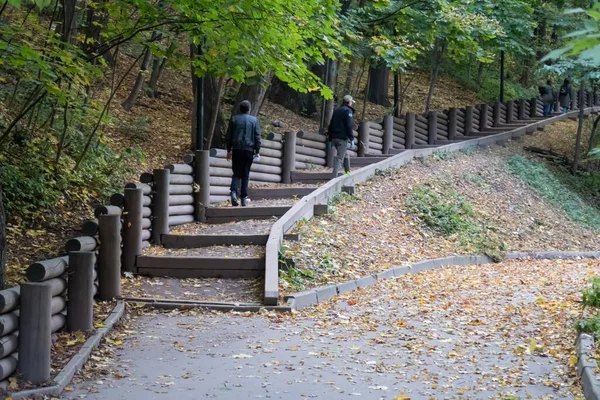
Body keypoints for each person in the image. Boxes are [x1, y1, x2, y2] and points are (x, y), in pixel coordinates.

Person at [226, 100, 261, 207]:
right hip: (249, 150)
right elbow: (257, 137)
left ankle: (233, 193)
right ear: (249, 109)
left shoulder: (234, 119)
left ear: (239, 109)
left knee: (236, 173)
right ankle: (244, 198)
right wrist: (257, 151)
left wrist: (228, 150)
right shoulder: (254, 120)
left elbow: (229, 136)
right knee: (245, 174)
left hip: (236, 149)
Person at [327, 94, 355, 178]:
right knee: (340, 158)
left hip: (334, 138)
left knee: (345, 154)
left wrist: (330, 139)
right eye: (351, 102)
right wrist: (351, 138)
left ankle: (348, 173)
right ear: (349, 102)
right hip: (342, 139)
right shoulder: (348, 111)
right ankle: (334, 178)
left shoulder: (336, 110)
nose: (352, 104)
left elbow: (330, 125)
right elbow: (349, 125)